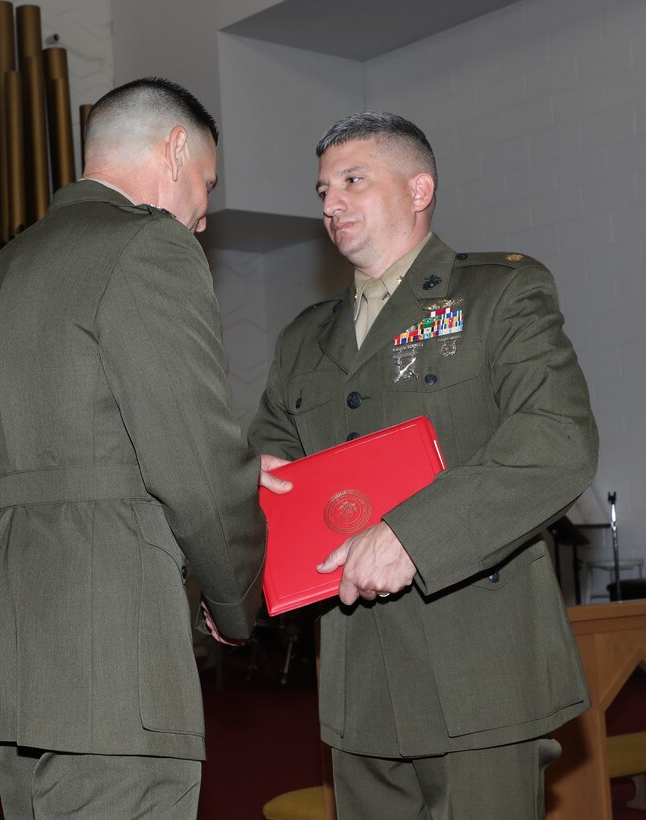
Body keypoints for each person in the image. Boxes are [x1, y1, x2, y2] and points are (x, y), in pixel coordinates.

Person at [0, 77, 268, 820]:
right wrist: (236, 599)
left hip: (16, 649)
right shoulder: (148, 246)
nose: (204, 215)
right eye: (205, 184)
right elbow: (197, 463)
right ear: (174, 149)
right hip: (114, 645)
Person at [248, 111, 598, 819]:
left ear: (418, 189)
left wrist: (412, 534)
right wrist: (239, 528)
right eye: (321, 189)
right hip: (358, 675)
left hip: (480, 664)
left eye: (352, 180)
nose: (330, 203)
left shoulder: (499, 294)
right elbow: (270, 469)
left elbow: (556, 440)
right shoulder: (302, 338)